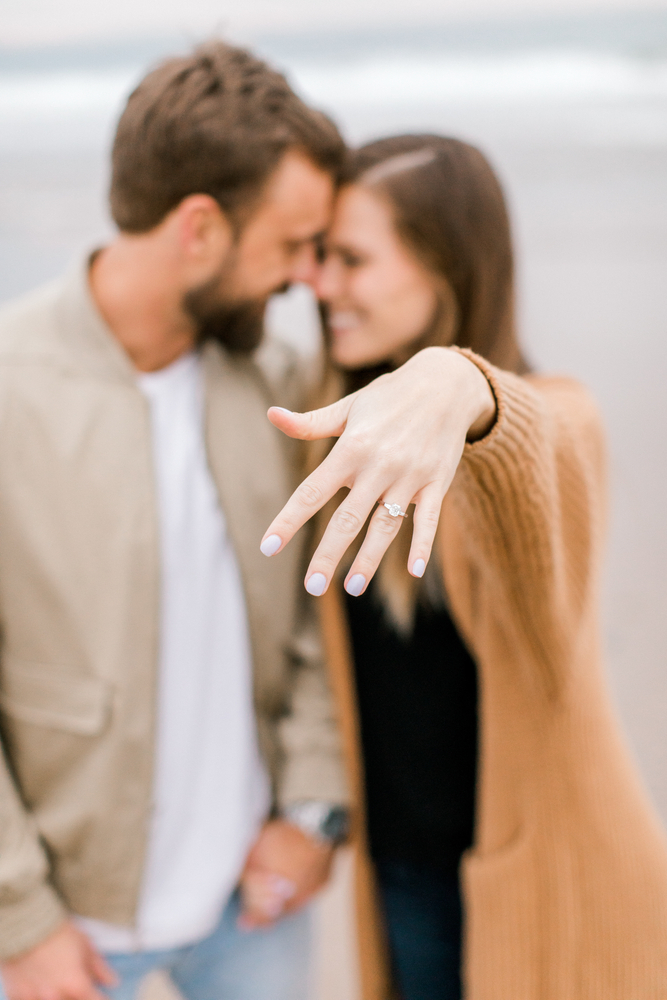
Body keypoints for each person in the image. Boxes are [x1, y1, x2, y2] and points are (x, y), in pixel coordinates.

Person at [0, 50, 480, 1000]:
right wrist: (20, 918)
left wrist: (311, 813)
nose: (307, 278)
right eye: (295, 244)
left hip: (253, 912)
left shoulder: (278, 386)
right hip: (70, 940)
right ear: (199, 229)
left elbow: (313, 625)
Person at [260, 135, 667, 999]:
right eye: (319, 256)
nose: (320, 285)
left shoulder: (552, 421)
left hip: (557, 883)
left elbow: (540, 439)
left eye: (351, 260)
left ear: (444, 269)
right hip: (404, 873)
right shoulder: (336, 427)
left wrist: (460, 384)